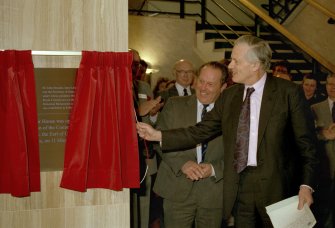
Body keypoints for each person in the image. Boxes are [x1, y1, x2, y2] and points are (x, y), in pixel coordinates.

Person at [136, 35, 318, 227]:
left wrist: (306, 186)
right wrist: (159, 135)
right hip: (240, 188)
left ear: (255, 65)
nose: (230, 66)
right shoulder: (230, 96)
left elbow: (307, 146)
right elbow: (200, 131)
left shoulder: (288, 93)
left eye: (236, 61)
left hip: (280, 190)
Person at [154, 61, 228, 228]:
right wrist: (182, 163)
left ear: (223, 87)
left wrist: (215, 169)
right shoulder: (174, 105)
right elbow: (160, 141)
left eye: (210, 84)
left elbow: (238, 154)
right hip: (177, 188)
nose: (203, 88)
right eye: (201, 81)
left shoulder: (231, 113)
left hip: (213, 191)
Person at [311, 73, 335, 228]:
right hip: (324, 169)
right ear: (325, 85)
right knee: (323, 209)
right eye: (330, 84)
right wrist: (323, 134)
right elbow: (307, 136)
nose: (333, 88)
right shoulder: (314, 108)